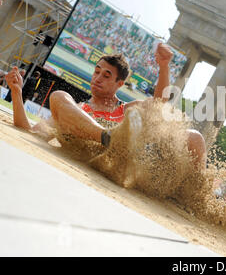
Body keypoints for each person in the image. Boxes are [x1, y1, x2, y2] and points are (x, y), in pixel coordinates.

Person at [5, 43, 207, 182]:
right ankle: (107, 137)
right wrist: (16, 92)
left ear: (119, 84)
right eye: (97, 71)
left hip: (122, 165)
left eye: (106, 75)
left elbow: (158, 103)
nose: (98, 78)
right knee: (58, 95)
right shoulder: (75, 110)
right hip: (93, 153)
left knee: (194, 138)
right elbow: (31, 131)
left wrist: (164, 67)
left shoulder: (126, 109)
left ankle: (197, 194)